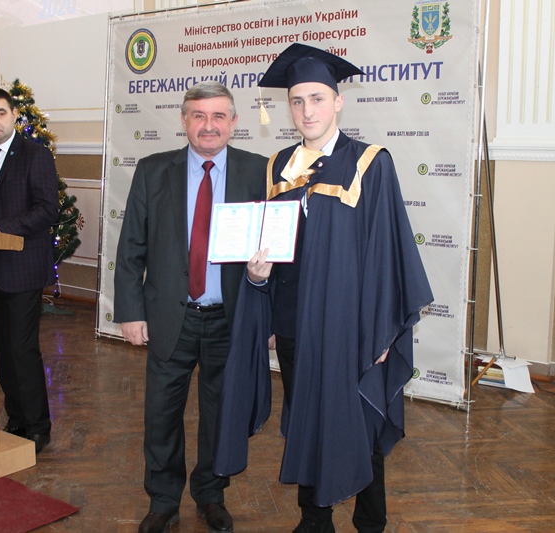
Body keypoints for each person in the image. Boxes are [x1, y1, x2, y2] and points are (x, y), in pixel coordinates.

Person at [216, 44, 434, 533]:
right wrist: (259, 280)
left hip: (351, 325)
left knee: (360, 419)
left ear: (338, 102)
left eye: (317, 99)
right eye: (297, 101)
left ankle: (370, 522)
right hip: (295, 322)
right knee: (307, 417)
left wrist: (382, 332)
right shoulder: (279, 168)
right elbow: (273, 250)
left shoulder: (369, 163)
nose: (307, 110)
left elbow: (386, 251)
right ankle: (315, 520)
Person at [113, 81, 267, 533]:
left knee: (220, 416)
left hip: (230, 319)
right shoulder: (152, 170)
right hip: (169, 317)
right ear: (184, 120)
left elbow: (276, 250)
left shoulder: (258, 171)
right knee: (161, 416)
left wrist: (269, 319)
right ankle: (163, 502)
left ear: (234, 122)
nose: (208, 125)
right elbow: (131, 247)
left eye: (218, 116)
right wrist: (131, 311)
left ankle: (211, 495)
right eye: (198, 116)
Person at [0, 87, 59, 454]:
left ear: (14, 114)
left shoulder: (35, 155)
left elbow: (47, 210)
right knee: (1, 350)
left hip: (21, 268)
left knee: (21, 349)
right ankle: (16, 418)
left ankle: (38, 427)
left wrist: (2, 228)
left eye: (0, 113)